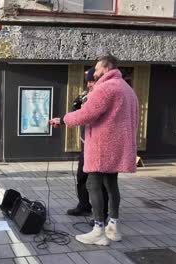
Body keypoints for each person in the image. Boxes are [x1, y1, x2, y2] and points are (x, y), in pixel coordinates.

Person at [51, 55, 139, 246]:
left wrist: (62, 119)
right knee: (111, 183)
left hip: (102, 146)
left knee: (93, 183)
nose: (94, 72)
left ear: (106, 67)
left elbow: (87, 113)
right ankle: (113, 227)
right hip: (117, 146)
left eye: (97, 68)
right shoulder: (127, 88)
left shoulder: (106, 87)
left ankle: (98, 229)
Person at [66, 68, 109, 227]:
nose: (90, 84)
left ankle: (103, 215)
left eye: (93, 81)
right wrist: (77, 106)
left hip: (100, 146)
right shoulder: (87, 96)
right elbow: (77, 115)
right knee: (81, 177)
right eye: (89, 81)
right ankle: (84, 206)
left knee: (100, 183)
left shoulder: (104, 96)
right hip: (86, 144)